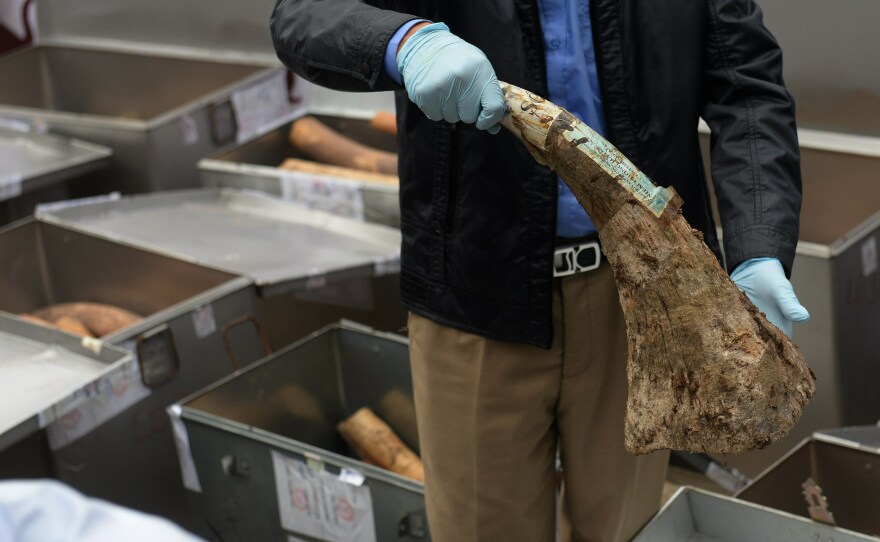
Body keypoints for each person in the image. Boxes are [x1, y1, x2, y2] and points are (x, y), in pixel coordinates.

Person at [271, 1, 809, 540]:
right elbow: (303, 16)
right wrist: (404, 41)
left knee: (627, 527)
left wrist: (758, 245)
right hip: (476, 292)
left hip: (645, 302)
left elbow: (746, 91)